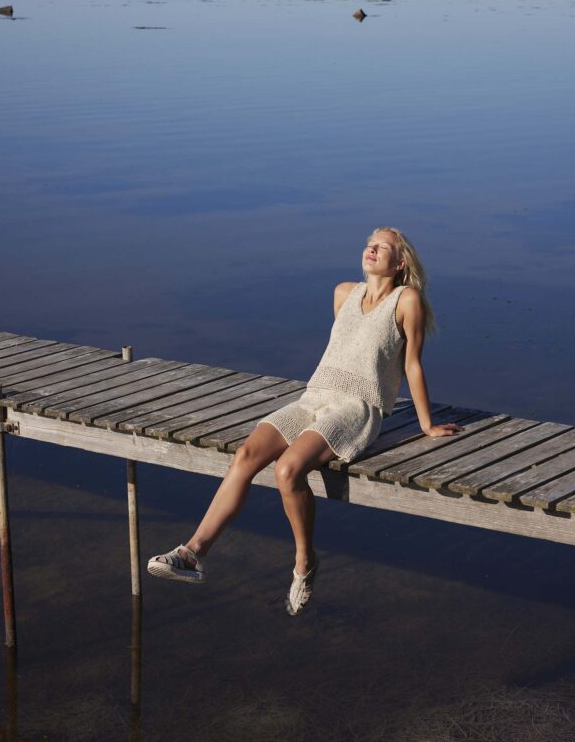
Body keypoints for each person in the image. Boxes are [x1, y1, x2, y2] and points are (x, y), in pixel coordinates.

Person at [148, 226, 462, 614]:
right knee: (245, 454)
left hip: (357, 408)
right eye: (369, 244)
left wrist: (426, 424)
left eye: (382, 247)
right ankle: (193, 553)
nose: (371, 250)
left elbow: (412, 364)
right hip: (314, 396)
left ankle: (304, 561)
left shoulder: (406, 300)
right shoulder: (343, 293)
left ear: (400, 262)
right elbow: (343, 350)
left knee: (288, 470)